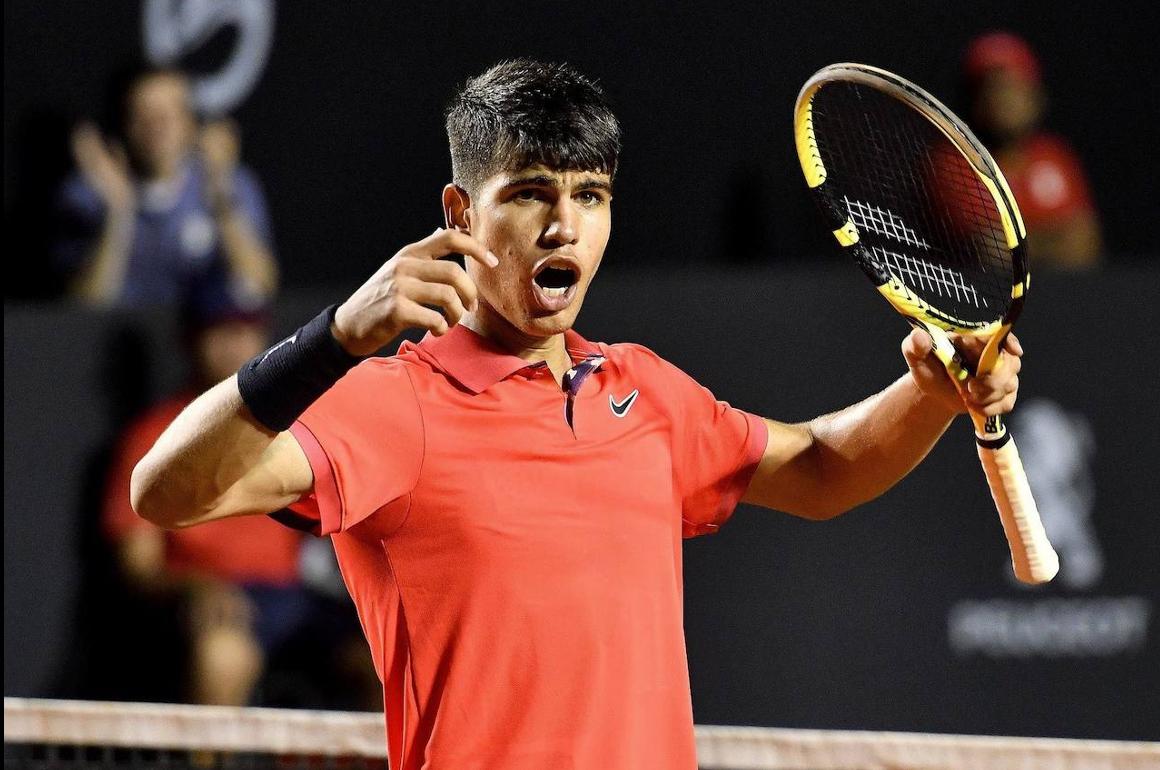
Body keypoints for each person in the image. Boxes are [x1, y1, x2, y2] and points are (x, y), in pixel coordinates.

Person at [131, 60, 1024, 768]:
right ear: (461, 213)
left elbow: (824, 470)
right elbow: (164, 493)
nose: (564, 226)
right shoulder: (390, 401)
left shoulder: (647, 392)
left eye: (589, 195)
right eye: (530, 194)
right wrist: (331, 340)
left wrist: (928, 395)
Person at [101, 301, 310, 705]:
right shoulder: (154, 434)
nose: (235, 344)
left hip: (295, 598)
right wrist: (199, 588)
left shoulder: (294, 421)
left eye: (246, 329)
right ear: (191, 340)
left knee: (385, 653)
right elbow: (137, 565)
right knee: (224, 655)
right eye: (221, 330)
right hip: (213, 601)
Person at [54, 65, 278, 310]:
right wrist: (118, 212)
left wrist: (220, 193)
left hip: (200, 339)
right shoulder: (87, 193)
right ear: (123, 123)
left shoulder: (229, 181)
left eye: (169, 114)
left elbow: (260, 288)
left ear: (192, 123)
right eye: (143, 114)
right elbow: (84, 307)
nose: (157, 127)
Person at [963, 31, 1103, 269]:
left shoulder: (1055, 157)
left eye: (1014, 88)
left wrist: (1026, 243)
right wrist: (1054, 238)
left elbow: (1085, 244)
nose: (1004, 100)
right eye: (993, 89)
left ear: (1035, 95)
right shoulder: (958, 162)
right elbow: (992, 252)